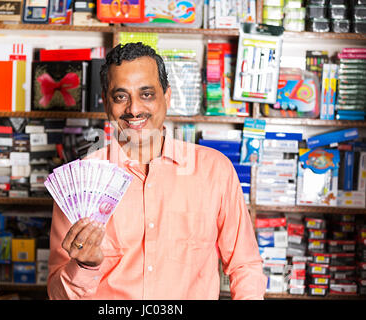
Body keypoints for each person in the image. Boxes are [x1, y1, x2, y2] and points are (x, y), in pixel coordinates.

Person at [47, 42, 267, 300]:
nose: (134, 109)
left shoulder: (214, 170)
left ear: (167, 97)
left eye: (147, 94)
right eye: (120, 96)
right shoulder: (79, 183)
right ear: (107, 103)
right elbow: (56, 294)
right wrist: (85, 266)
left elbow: (245, 266)